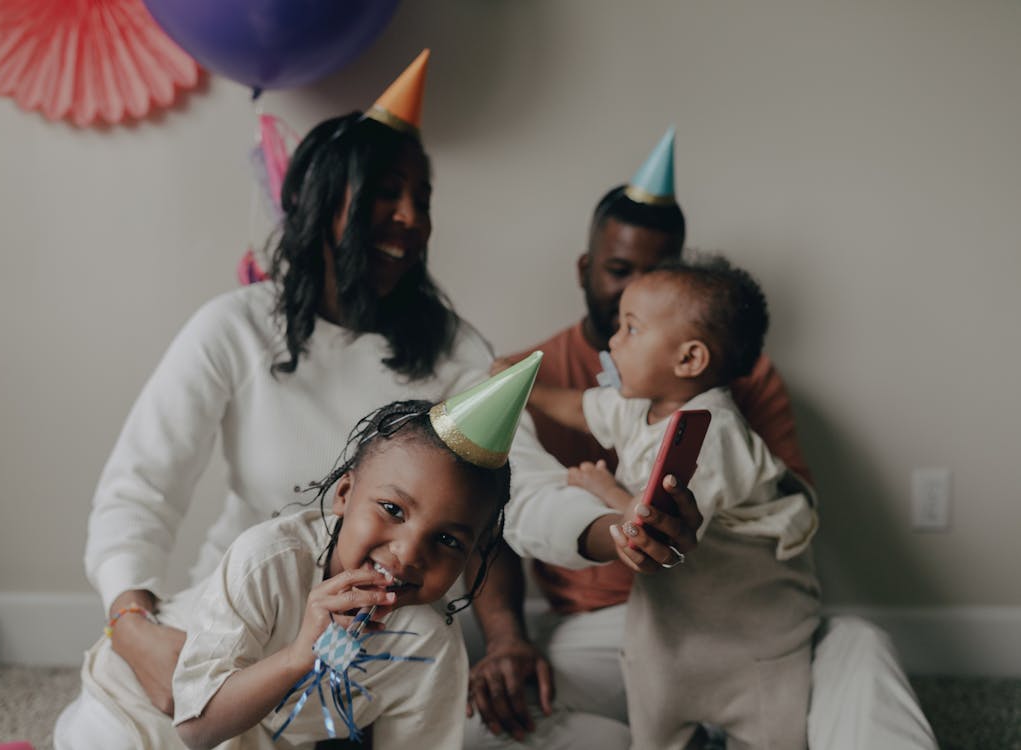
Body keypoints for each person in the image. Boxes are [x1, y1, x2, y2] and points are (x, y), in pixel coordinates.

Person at [61, 50, 704, 747]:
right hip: (246, 607)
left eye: (420, 200)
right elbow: (139, 491)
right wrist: (131, 623)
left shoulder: (456, 352)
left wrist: (619, 532)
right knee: (116, 734)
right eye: (384, 194)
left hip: (393, 627)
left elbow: (523, 494)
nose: (408, 218)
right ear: (317, 203)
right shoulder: (234, 329)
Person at [465, 131, 937, 750]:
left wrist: (606, 490)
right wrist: (504, 382)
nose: (630, 302)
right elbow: (562, 428)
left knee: (860, 646)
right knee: (481, 726)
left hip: (741, 620)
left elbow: (755, 514)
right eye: (619, 273)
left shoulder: (733, 395)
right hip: (607, 627)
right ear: (587, 270)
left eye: (657, 279)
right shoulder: (547, 368)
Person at [55, 355, 540, 749]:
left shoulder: (429, 645)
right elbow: (195, 729)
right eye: (392, 509)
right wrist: (298, 657)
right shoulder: (267, 560)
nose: (408, 553)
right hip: (141, 710)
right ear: (345, 494)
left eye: (449, 540)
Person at [524, 257, 821, 748]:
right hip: (674, 621)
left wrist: (604, 491)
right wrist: (523, 384)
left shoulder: (710, 432)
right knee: (655, 692)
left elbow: (656, 527)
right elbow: (578, 408)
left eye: (631, 329)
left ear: (689, 360)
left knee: (771, 721)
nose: (612, 341)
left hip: (751, 618)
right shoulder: (640, 401)